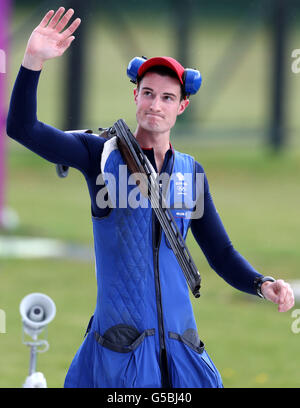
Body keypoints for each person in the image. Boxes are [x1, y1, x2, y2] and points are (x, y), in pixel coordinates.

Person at [6, 7, 294, 388]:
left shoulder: (191, 173)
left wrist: (262, 283)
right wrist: (32, 63)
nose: (155, 105)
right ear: (135, 96)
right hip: (120, 350)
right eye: (147, 94)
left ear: (182, 106)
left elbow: (220, 253)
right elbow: (22, 128)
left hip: (182, 351)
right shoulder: (100, 154)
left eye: (167, 97)